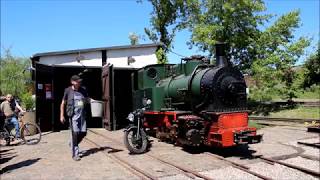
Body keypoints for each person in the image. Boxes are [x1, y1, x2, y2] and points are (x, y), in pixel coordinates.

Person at [60, 75, 90, 161]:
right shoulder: (68, 90)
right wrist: (61, 115)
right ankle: (75, 154)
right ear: (72, 82)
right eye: (77, 81)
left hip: (82, 116)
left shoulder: (83, 90)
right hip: (73, 116)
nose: (79, 83)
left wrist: (92, 101)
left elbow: (87, 99)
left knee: (84, 133)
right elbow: (62, 103)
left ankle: (72, 143)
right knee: (75, 134)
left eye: (80, 81)